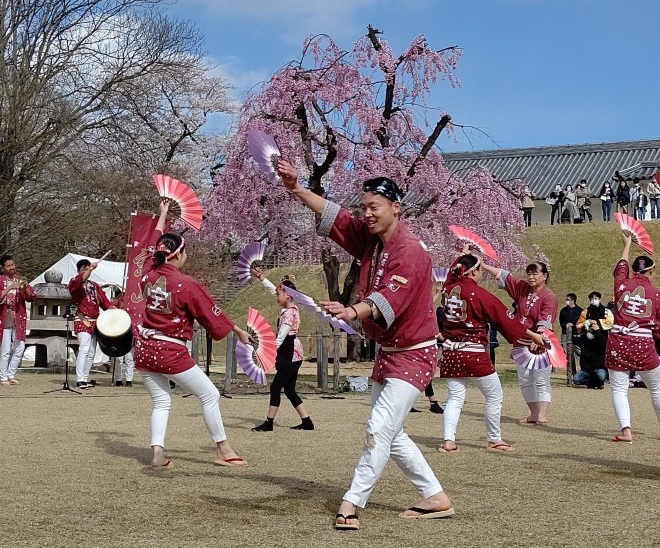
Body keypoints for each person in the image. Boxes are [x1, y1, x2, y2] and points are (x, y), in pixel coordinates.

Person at [276, 160, 454, 529]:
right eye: (364, 207)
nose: (367, 214)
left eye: (374, 207)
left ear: (396, 207)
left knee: (378, 428)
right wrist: (296, 188)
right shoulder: (372, 240)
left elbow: (390, 297)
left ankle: (351, 502)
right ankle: (435, 496)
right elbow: (336, 217)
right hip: (389, 353)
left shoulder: (411, 250)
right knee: (392, 431)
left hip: (415, 353)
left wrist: (351, 311)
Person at [135, 200, 252, 469]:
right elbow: (212, 313)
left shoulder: (147, 275)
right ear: (176, 255)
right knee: (210, 395)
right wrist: (237, 329)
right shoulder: (186, 284)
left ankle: (157, 454)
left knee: (162, 401)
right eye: (185, 252)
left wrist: (163, 215)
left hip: (143, 349)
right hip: (169, 351)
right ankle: (224, 450)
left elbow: (153, 246)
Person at [437, 253, 547, 453]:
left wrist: (463, 254)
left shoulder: (448, 290)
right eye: (480, 271)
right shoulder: (480, 295)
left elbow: (452, 274)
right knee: (494, 395)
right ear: (474, 271)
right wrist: (533, 336)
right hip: (473, 353)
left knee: (454, 397)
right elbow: (507, 322)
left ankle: (448, 440)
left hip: (451, 352)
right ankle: (494, 438)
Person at [606, 234, 660, 442]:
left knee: (619, 388)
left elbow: (621, 267)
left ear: (634, 271)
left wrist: (627, 245)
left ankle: (626, 431)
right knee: (656, 388)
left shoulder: (621, 286)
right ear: (651, 272)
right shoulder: (658, 296)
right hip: (643, 344)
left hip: (618, 340)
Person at [482, 260, 558, 425]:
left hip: (540, 343)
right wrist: (482, 265)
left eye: (535, 273)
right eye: (529, 273)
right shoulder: (522, 288)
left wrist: (538, 337)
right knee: (525, 380)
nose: (531, 277)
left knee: (541, 379)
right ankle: (534, 413)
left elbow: (546, 320)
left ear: (544, 276)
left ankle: (542, 415)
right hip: (520, 341)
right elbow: (503, 275)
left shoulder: (549, 297)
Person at [250, 268, 314, 432]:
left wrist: (265, 351)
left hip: (289, 352)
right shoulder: (291, 308)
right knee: (289, 389)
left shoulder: (288, 315)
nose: (276, 297)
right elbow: (275, 291)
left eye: (279, 294)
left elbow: (280, 338)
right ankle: (306, 422)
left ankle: (269, 423)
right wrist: (262, 278)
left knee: (276, 387)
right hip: (293, 352)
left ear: (288, 295)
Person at [69, 258, 113, 389]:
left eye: (88, 268)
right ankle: (80, 379)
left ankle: (85, 377)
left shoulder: (94, 285)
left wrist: (111, 307)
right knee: (84, 348)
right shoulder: (74, 282)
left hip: (95, 320)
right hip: (82, 318)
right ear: (78, 271)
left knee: (92, 351)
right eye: (84, 269)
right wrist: (90, 269)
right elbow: (81, 279)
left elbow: (104, 300)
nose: (87, 270)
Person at [0, 255, 36, 385]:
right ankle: (3, 376)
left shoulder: (21, 279)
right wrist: (10, 287)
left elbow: (31, 297)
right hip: (4, 318)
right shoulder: (0, 280)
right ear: (2, 268)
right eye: (8, 266)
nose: (12, 268)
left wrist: (25, 288)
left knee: (19, 347)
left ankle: (11, 373)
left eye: (13, 265)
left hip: (19, 317)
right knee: (5, 348)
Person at [573, 293, 613, 389]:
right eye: (592, 298)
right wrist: (586, 323)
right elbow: (579, 325)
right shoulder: (585, 312)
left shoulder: (606, 311)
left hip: (601, 338)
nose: (593, 300)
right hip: (587, 368)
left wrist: (597, 324)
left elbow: (610, 322)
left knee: (601, 375)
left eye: (596, 298)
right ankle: (593, 382)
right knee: (577, 379)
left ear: (599, 299)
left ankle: (597, 380)